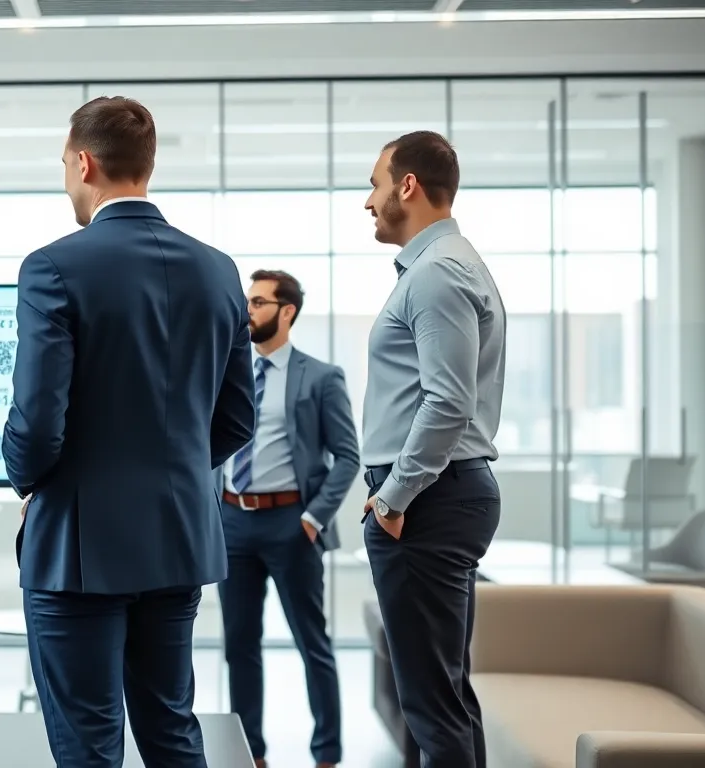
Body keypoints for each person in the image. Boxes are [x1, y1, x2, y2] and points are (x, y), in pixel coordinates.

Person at [2, 96, 256, 768]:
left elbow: (36, 421)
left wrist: (28, 479)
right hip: (178, 537)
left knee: (88, 741)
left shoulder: (52, 267)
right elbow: (237, 418)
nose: (66, 179)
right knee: (172, 729)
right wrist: (170, 469)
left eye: (65, 164)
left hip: (79, 547)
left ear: (85, 162)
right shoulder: (218, 269)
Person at [360, 131, 506, 768]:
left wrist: (393, 497)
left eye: (375, 184)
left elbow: (448, 402)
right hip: (437, 496)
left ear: (408, 186)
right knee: (439, 695)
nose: (369, 201)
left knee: (430, 701)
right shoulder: (444, 265)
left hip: (426, 500)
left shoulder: (439, 272)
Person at [219, 269, 359, 768]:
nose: (248, 311)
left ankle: (326, 754)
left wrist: (314, 518)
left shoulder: (320, 377)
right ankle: (250, 753)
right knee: (239, 646)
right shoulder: (228, 372)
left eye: (257, 303)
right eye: (247, 302)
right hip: (232, 524)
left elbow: (347, 456)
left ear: (287, 312)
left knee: (312, 644)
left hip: (291, 525)